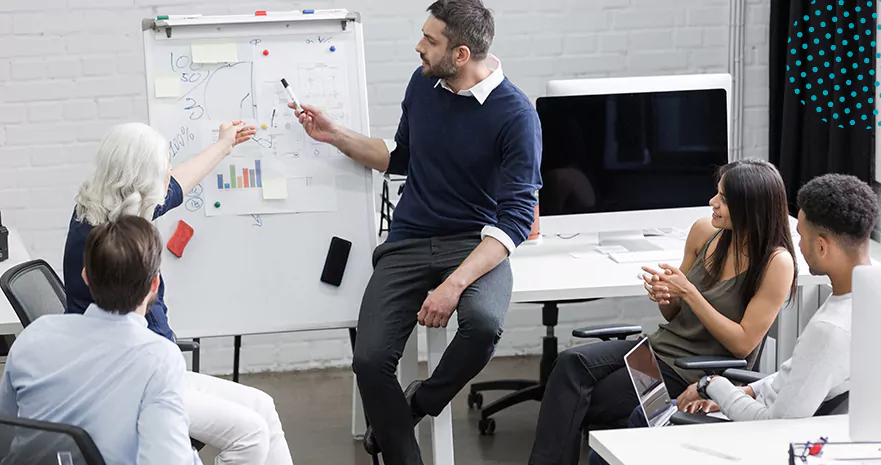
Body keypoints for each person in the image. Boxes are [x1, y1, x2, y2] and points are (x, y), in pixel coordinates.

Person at [289, 1, 541, 463]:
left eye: (430, 40)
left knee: (483, 325)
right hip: (407, 240)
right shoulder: (423, 83)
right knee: (369, 360)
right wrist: (334, 135)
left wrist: (453, 285)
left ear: (460, 54)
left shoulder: (516, 115)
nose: (418, 47)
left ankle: (417, 403)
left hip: (474, 244)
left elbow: (517, 219)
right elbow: (403, 155)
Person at [528, 159, 798, 465]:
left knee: (582, 400)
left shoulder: (776, 263)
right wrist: (665, 294)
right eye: (717, 194)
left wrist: (689, 293)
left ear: (751, 205)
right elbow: (673, 314)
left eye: (723, 199)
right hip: (657, 348)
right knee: (570, 363)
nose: (713, 203)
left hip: (691, 369)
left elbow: (742, 344)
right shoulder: (704, 232)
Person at [63, 122, 295, 465]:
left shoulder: (115, 211)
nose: (169, 174)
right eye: (162, 170)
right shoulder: (110, 245)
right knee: (250, 434)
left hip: (156, 367)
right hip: (133, 383)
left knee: (263, 407)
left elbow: (177, 185)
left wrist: (224, 145)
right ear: (138, 183)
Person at [677, 173, 876, 420]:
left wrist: (711, 384)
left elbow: (774, 426)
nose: (799, 246)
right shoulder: (871, 297)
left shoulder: (830, 330)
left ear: (822, 247)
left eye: (802, 236)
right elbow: (798, 374)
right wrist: (744, 393)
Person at [0, 216, 198, 465]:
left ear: (86, 277)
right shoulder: (160, 359)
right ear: (154, 285)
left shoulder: (33, 336)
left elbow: (5, 434)